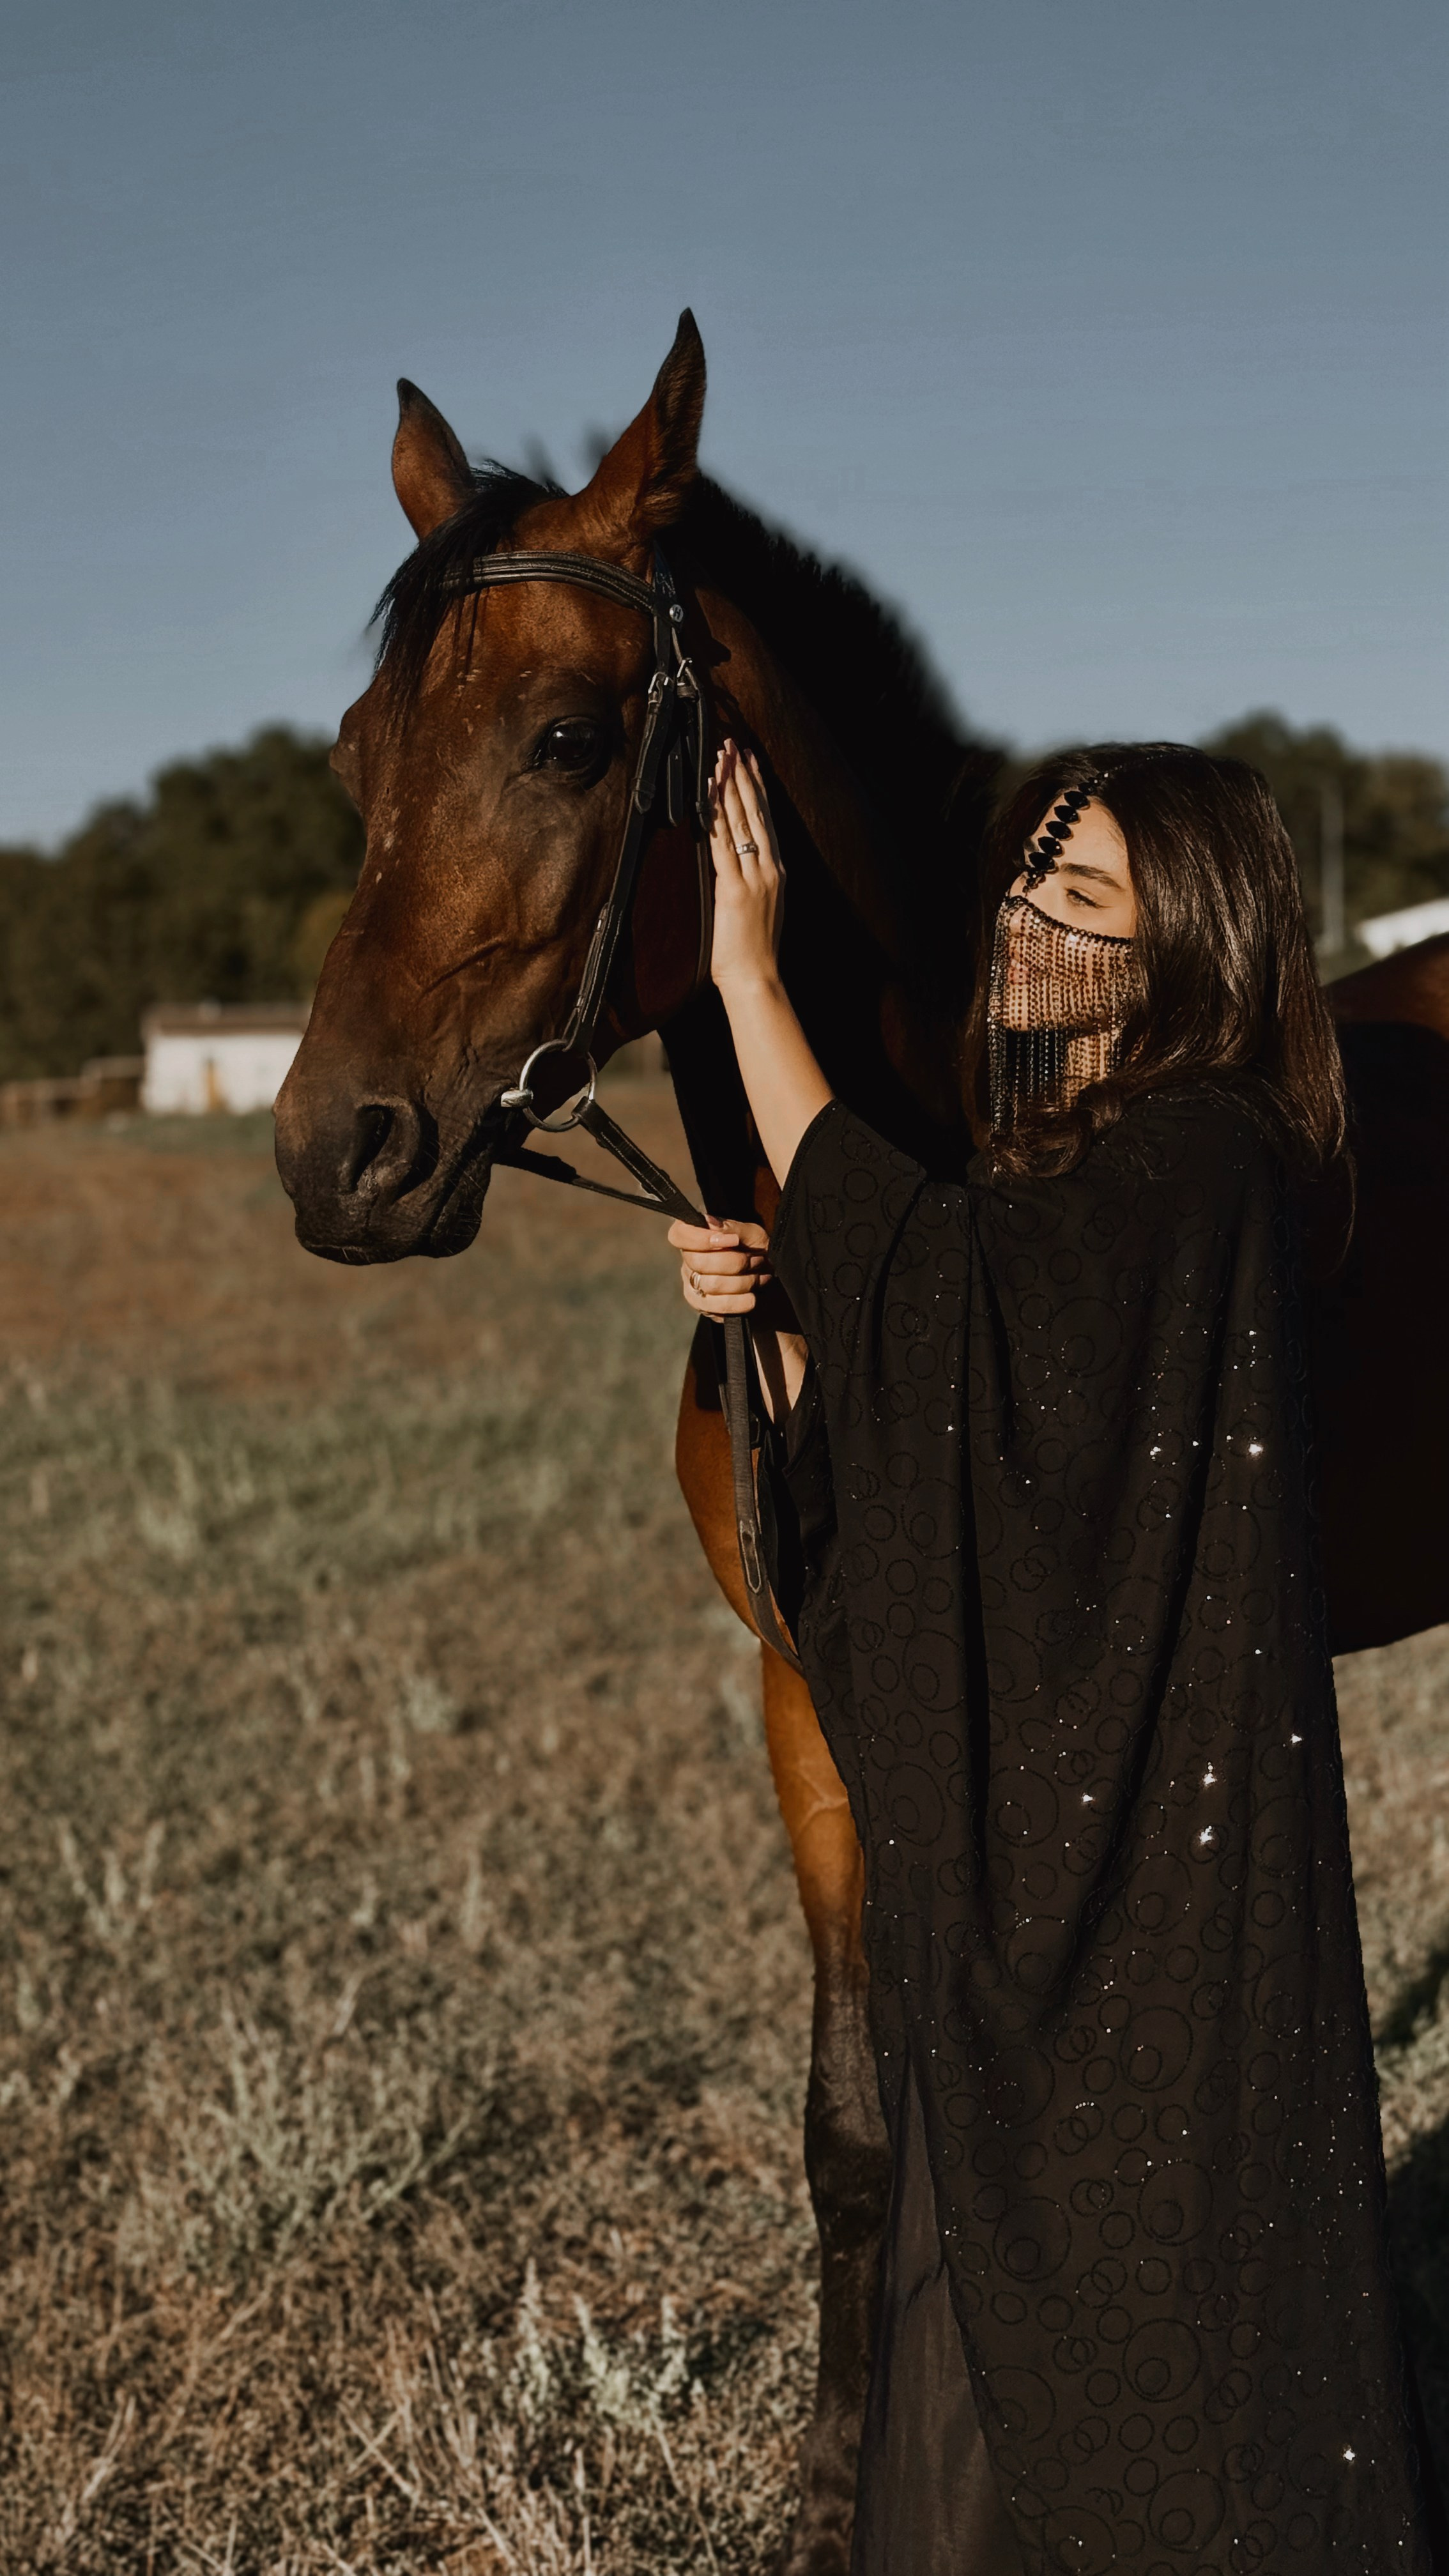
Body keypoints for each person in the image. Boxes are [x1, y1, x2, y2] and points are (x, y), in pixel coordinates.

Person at [670, 742, 1441, 2574]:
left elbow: (959, 1310)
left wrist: (746, 984)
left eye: (1079, 902)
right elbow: (963, 1486)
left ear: (1187, 944)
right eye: (1023, 884)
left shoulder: (1201, 1154)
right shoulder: (1054, 1160)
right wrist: (779, 1352)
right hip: (1030, 1879)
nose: (1021, 927)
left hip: (1159, 1907)